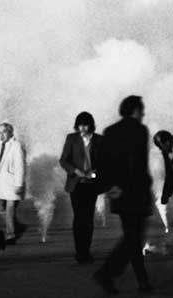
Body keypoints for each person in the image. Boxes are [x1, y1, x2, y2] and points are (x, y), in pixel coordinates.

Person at [92, 96, 154, 294]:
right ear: (135, 110)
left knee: (132, 237)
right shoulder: (139, 130)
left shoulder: (110, 132)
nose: (143, 114)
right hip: (136, 191)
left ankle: (141, 281)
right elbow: (138, 165)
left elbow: (101, 163)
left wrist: (110, 186)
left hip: (119, 193)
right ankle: (107, 273)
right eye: (141, 110)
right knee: (133, 239)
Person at [59, 111, 102, 263]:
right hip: (76, 184)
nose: (82, 128)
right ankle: (80, 252)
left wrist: (95, 173)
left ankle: (86, 250)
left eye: (85, 125)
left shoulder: (99, 140)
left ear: (91, 125)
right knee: (79, 218)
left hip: (92, 184)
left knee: (88, 218)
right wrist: (76, 171)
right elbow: (63, 160)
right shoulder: (71, 139)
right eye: (79, 125)